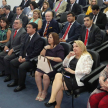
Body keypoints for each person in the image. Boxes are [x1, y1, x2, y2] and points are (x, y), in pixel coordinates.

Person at [44, 40, 93, 108]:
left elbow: (87, 71)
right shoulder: (73, 55)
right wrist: (68, 56)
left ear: (81, 48)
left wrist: (73, 72)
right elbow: (64, 65)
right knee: (58, 75)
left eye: (76, 46)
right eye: (73, 47)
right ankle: (53, 100)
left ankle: (55, 104)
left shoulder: (86, 57)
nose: (74, 48)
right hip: (68, 75)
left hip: (77, 78)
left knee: (59, 86)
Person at [7, 22, 44, 92]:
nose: (27, 28)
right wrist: (20, 55)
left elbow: (36, 53)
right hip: (23, 57)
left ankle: (21, 85)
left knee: (22, 67)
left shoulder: (38, 39)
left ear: (34, 29)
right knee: (12, 62)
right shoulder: (27, 35)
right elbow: (22, 47)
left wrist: (25, 59)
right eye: (27, 27)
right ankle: (16, 80)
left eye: (29, 27)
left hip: (32, 60)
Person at [35, 32, 65, 101]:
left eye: (50, 37)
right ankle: (40, 91)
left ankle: (45, 92)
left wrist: (50, 58)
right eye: (48, 37)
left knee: (45, 76)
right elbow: (41, 55)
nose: (48, 39)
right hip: (45, 64)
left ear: (55, 39)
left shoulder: (59, 47)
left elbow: (61, 59)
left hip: (54, 66)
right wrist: (45, 48)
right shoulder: (47, 46)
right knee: (37, 73)